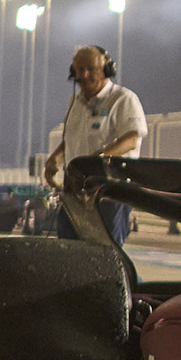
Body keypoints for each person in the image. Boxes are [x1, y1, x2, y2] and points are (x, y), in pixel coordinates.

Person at [42, 44, 147, 246]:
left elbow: (132, 139)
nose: (84, 74)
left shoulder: (123, 99)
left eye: (91, 69)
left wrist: (99, 158)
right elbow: (71, 138)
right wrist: (55, 157)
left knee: (107, 252)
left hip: (109, 192)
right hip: (75, 190)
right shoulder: (75, 101)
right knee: (68, 249)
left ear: (107, 69)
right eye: (79, 69)